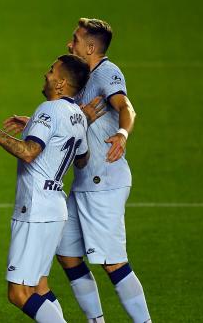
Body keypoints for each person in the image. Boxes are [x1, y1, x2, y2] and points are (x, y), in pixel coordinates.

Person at [0, 54, 91, 322]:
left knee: (19, 293)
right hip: (55, 208)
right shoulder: (78, 116)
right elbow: (82, 158)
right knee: (39, 287)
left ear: (61, 83)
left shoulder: (49, 109)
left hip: (35, 208)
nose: (46, 75)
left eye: (51, 71)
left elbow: (28, 152)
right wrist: (38, 128)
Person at [54, 18, 150, 323]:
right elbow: (75, 119)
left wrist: (122, 134)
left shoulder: (107, 73)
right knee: (66, 251)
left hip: (104, 182)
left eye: (76, 39)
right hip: (84, 182)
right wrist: (32, 122)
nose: (70, 44)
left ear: (91, 47)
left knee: (113, 263)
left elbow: (126, 107)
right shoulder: (84, 77)